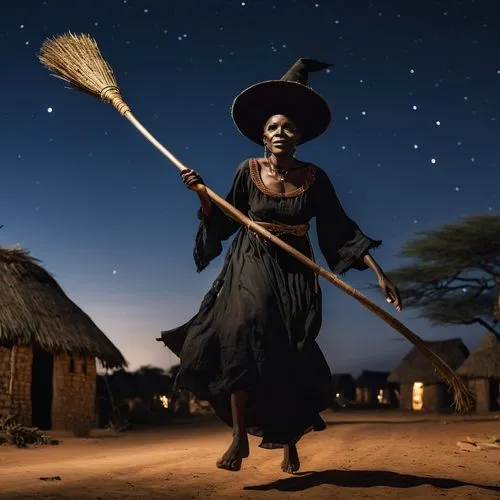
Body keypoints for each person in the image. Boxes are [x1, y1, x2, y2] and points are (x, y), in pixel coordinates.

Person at [159, 58, 402, 473]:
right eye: (272, 127)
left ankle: (288, 438)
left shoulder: (315, 178)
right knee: (240, 332)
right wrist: (201, 193)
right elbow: (223, 219)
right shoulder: (246, 171)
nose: (280, 133)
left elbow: (340, 228)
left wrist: (379, 272)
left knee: (289, 352)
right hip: (251, 261)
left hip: (295, 269)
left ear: (299, 136)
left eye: (287, 127)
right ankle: (238, 437)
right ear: (262, 135)